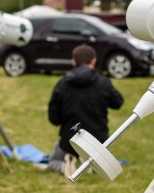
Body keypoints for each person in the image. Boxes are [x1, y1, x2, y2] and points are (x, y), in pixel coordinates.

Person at [47, 44, 124, 176]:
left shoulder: (62, 84)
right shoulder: (104, 83)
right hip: (98, 143)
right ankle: (89, 164)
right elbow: (118, 103)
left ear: (73, 61)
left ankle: (65, 166)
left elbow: (54, 118)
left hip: (70, 141)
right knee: (101, 159)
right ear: (93, 61)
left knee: (52, 161)